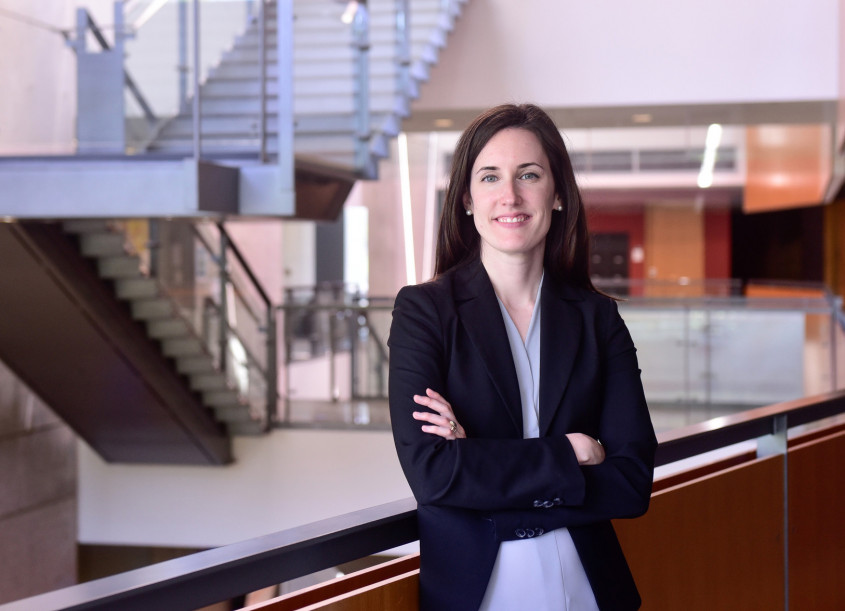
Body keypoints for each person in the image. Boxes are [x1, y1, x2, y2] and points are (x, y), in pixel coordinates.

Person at [387, 103, 657, 611]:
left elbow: (631, 483)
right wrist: (571, 452)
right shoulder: (425, 312)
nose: (509, 195)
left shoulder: (599, 320)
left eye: (528, 175)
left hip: (592, 593)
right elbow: (435, 473)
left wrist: (481, 462)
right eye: (490, 176)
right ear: (466, 199)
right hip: (477, 595)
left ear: (557, 195)